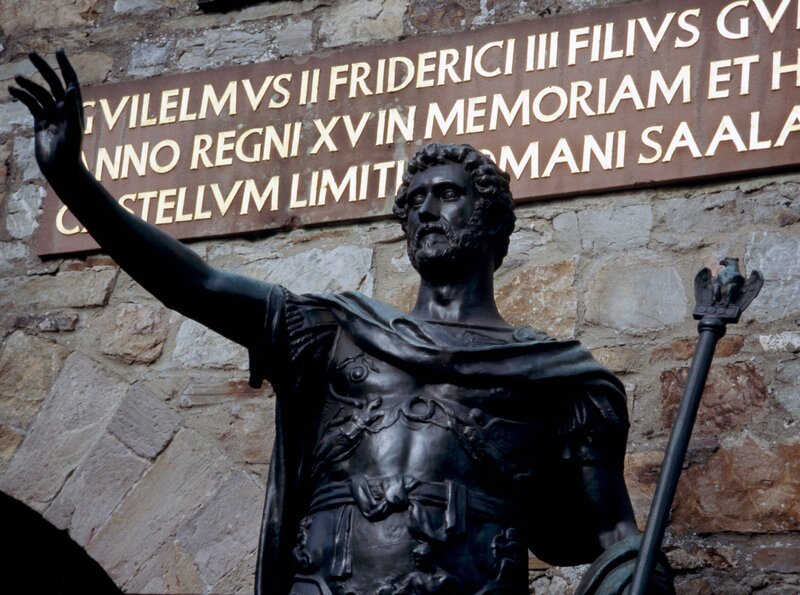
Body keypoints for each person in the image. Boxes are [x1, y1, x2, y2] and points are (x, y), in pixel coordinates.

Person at [11, 51, 673, 594]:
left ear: (493, 221)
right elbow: (199, 284)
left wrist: (640, 577)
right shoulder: (335, 331)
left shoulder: (555, 377)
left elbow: (615, 538)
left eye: (446, 195)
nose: (425, 210)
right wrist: (74, 180)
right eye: (413, 201)